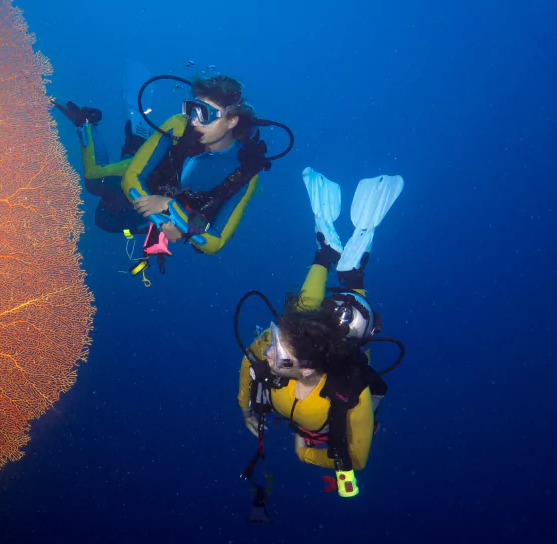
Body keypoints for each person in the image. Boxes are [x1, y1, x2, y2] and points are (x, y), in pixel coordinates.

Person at [236, 169, 404, 510]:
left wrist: (306, 455)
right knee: (307, 317)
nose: (267, 352)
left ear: (308, 369)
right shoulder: (283, 348)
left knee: (351, 338)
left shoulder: (348, 396)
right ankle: (338, 264)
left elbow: (355, 459)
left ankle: (333, 260)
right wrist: (245, 406)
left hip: (328, 389)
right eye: (275, 342)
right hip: (312, 366)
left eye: (279, 354)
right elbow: (250, 359)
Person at [122, 75, 269, 256]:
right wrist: (163, 221)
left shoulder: (245, 173)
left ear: (232, 120)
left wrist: (171, 208)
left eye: (205, 113)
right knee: (95, 181)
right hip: (151, 186)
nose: (194, 121)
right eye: (192, 109)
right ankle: (106, 132)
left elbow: (215, 242)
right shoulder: (178, 125)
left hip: (167, 206)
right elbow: (131, 177)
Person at [54, 60, 154, 234]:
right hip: (144, 172)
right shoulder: (110, 190)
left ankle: (89, 123)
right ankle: (86, 123)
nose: (109, 203)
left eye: (109, 206)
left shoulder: (114, 192)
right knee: (96, 178)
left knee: (131, 149)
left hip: (145, 169)